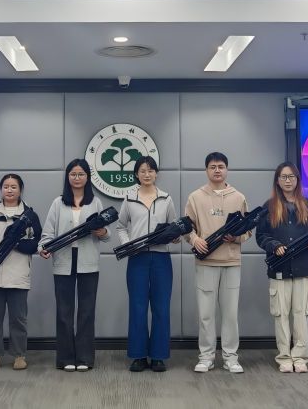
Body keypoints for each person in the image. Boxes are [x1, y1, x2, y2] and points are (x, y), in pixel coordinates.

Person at [39, 159, 110, 372]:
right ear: (67, 177)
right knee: (64, 311)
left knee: (87, 311)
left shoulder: (95, 202)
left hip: (88, 262)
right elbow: (47, 233)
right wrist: (43, 247)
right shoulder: (58, 203)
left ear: (87, 177)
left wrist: (102, 232)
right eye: (73, 174)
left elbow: (106, 235)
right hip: (63, 261)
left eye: (81, 174)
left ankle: (85, 358)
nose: (77, 178)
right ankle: (66, 358)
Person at [184, 152, 250, 374]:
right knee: (206, 314)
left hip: (231, 262)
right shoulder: (195, 197)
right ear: (206, 170)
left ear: (227, 169)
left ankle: (231, 357)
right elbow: (186, 227)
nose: (217, 170)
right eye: (212, 167)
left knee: (230, 314)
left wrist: (237, 237)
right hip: (206, 263)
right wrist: (195, 239)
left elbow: (248, 230)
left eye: (221, 166)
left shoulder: (238, 197)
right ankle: (206, 357)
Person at [0, 174, 42, 371]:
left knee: (18, 319)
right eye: (6, 186)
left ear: (20, 190)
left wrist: (16, 243)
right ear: (1, 189)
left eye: (14, 187)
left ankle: (19, 355)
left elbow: (38, 241)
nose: (9, 190)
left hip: (18, 275)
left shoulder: (29, 215)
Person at [255, 162, 308, 373]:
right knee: (281, 314)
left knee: (301, 315)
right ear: (277, 181)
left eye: (291, 176)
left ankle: (300, 357)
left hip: (303, 268)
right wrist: (274, 246)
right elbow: (261, 236)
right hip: (279, 268)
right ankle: (284, 357)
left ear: (297, 179)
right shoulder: (269, 206)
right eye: (283, 177)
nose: (288, 180)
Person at [117, 156, 179, 372]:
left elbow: (174, 227)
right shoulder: (129, 198)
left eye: (151, 170)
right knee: (138, 307)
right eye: (142, 171)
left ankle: (159, 356)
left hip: (161, 259)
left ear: (156, 173)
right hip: (137, 259)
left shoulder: (166, 199)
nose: (147, 174)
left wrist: (175, 236)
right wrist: (128, 244)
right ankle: (139, 355)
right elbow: (121, 226)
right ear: (136, 174)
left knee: (161, 307)